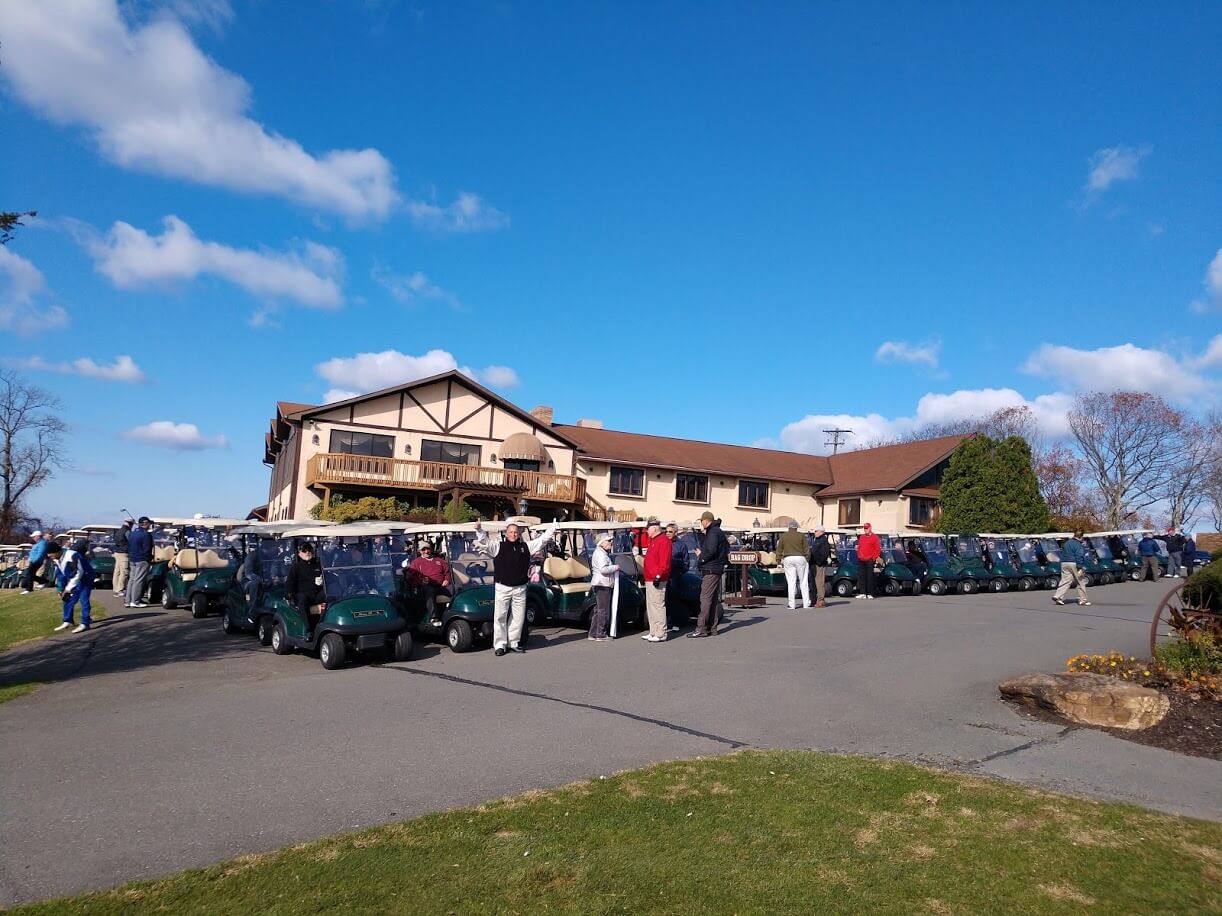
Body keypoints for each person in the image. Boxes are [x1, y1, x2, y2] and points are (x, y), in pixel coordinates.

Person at [474, 519, 557, 656]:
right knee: (500, 616)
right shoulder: (498, 546)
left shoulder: (526, 546)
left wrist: (552, 529)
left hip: (520, 588)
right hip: (503, 587)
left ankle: (513, 642)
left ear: (519, 534)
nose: (513, 534)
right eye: (511, 532)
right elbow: (485, 542)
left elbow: (541, 541)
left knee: (518, 618)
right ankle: (500, 645)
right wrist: (479, 530)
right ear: (506, 534)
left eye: (515, 532)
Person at [689, 511, 728, 638]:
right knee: (712, 599)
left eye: (701, 521)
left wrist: (701, 557)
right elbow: (722, 548)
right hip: (716, 568)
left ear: (706, 521)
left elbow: (711, 550)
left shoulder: (713, 532)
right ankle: (712, 627)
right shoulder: (717, 531)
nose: (701, 523)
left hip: (711, 569)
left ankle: (702, 628)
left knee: (705, 599)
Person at [52, 539, 95, 634]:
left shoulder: (72, 555)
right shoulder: (56, 558)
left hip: (86, 577)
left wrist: (68, 588)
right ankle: (68, 620)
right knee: (67, 598)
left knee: (84, 599)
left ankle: (85, 623)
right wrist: (61, 588)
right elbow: (61, 574)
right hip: (75, 580)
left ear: (56, 552)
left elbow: (79, 573)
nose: (50, 557)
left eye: (51, 555)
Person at [285, 542, 327, 637]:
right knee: (302, 599)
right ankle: (309, 630)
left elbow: (328, 576)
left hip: (316, 593)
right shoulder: (296, 567)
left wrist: (323, 581)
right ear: (299, 553)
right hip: (303, 594)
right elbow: (290, 582)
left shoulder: (318, 565)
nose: (307, 552)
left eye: (309, 550)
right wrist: (288, 594)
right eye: (304, 551)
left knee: (330, 596)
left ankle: (329, 622)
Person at [406, 540, 451, 625]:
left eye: (428, 549)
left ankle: (456, 611)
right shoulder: (416, 562)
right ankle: (433, 617)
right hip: (425, 587)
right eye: (424, 550)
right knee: (430, 591)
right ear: (420, 551)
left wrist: (447, 580)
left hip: (441, 586)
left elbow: (447, 572)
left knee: (457, 588)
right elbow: (410, 577)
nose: (426, 551)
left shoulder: (439, 561)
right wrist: (420, 581)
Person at [641, 521, 671, 642]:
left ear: (654, 529)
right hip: (649, 578)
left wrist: (659, 575)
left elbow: (665, 562)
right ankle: (653, 631)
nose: (647, 532)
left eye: (648, 529)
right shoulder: (654, 541)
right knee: (651, 606)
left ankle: (661, 633)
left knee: (658, 605)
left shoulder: (663, 541)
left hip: (657, 578)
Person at [589, 532, 620, 641]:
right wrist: (615, 567)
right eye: (608, 541)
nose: (611, 543)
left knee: (598, 609)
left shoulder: (601, 553)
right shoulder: (601, 554)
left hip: (601, 583)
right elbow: (603, 569)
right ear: (602, 543)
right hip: (603, 584)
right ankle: (600, 634)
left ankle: (593, 633)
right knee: (603, 610)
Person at [776, 520, 811, 609]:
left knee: (791, 582)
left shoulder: (783, 536)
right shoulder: (801, 535)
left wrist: (778, 560)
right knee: (803, 581)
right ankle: (806, 603)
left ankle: (792, 604)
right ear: (796, 527)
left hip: (788, 558)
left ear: (789, 527)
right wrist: (807, 558)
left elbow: (779, 549)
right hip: (800, 558)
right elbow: (806, 548)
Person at [1053, 530, 1092, 606]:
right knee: (1080, 581)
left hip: (1064, 563)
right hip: (1073, 563)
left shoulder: (1067, 543)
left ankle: (1058, 596)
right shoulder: (1078, 544)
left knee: (1065, 580)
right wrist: (1080, 567)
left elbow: (1062, 552)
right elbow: (1079, 555)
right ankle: (1083, 600)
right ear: (1081, 537)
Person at [665, 522, 689, 631]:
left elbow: (686, 562)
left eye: (670, 532)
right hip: (664, 575)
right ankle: (666, 622)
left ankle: (675, 622)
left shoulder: (681, 545)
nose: (668, 533)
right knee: (664, 599)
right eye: (666, 531)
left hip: (675, 575)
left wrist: (679, 572)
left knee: (674, 599)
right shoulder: (663, 543)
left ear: (675, 532)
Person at [125, 517, 153, 608]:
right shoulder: (146, 535)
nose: (150, 525)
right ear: (145, 524)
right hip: (142, 559)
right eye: (149, 523)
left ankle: (128, 600)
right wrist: (149, 558)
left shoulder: (133, 533)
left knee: (132, 579)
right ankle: (135, 601)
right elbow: (147, 549)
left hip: (132, 558)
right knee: (139, 580)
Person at [855, 523, 882, 600]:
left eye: (867, 528)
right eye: (864, 528)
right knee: (861, 576)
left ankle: (870, 593)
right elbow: (859, 547)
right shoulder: (862, 537)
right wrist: (859, 555)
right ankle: (862, 593)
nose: (865, 529)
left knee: (869, 576)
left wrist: (873, 558)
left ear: (870, 528)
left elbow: (878, 549)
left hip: (870, 559)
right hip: (861, 559)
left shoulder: (875, 537)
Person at [809, 527, 831, 608]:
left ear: (821, 532)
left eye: (816, 531)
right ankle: (816, 600)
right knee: (815, 583)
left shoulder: (823, 540)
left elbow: (825, 553)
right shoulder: (817, 540)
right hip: (814, 564)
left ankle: (821, 601)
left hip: (819, 565)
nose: (815, 532)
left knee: (820, 583)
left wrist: (819, 562)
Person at [112, 517, 133, 598]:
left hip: (117, 552)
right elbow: (130, 541)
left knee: (117, 572)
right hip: (124, 553)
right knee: (124, 572)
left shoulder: (118, 531)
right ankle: (120, 589)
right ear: (129, 524)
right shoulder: (127, 531)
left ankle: (116, 589)